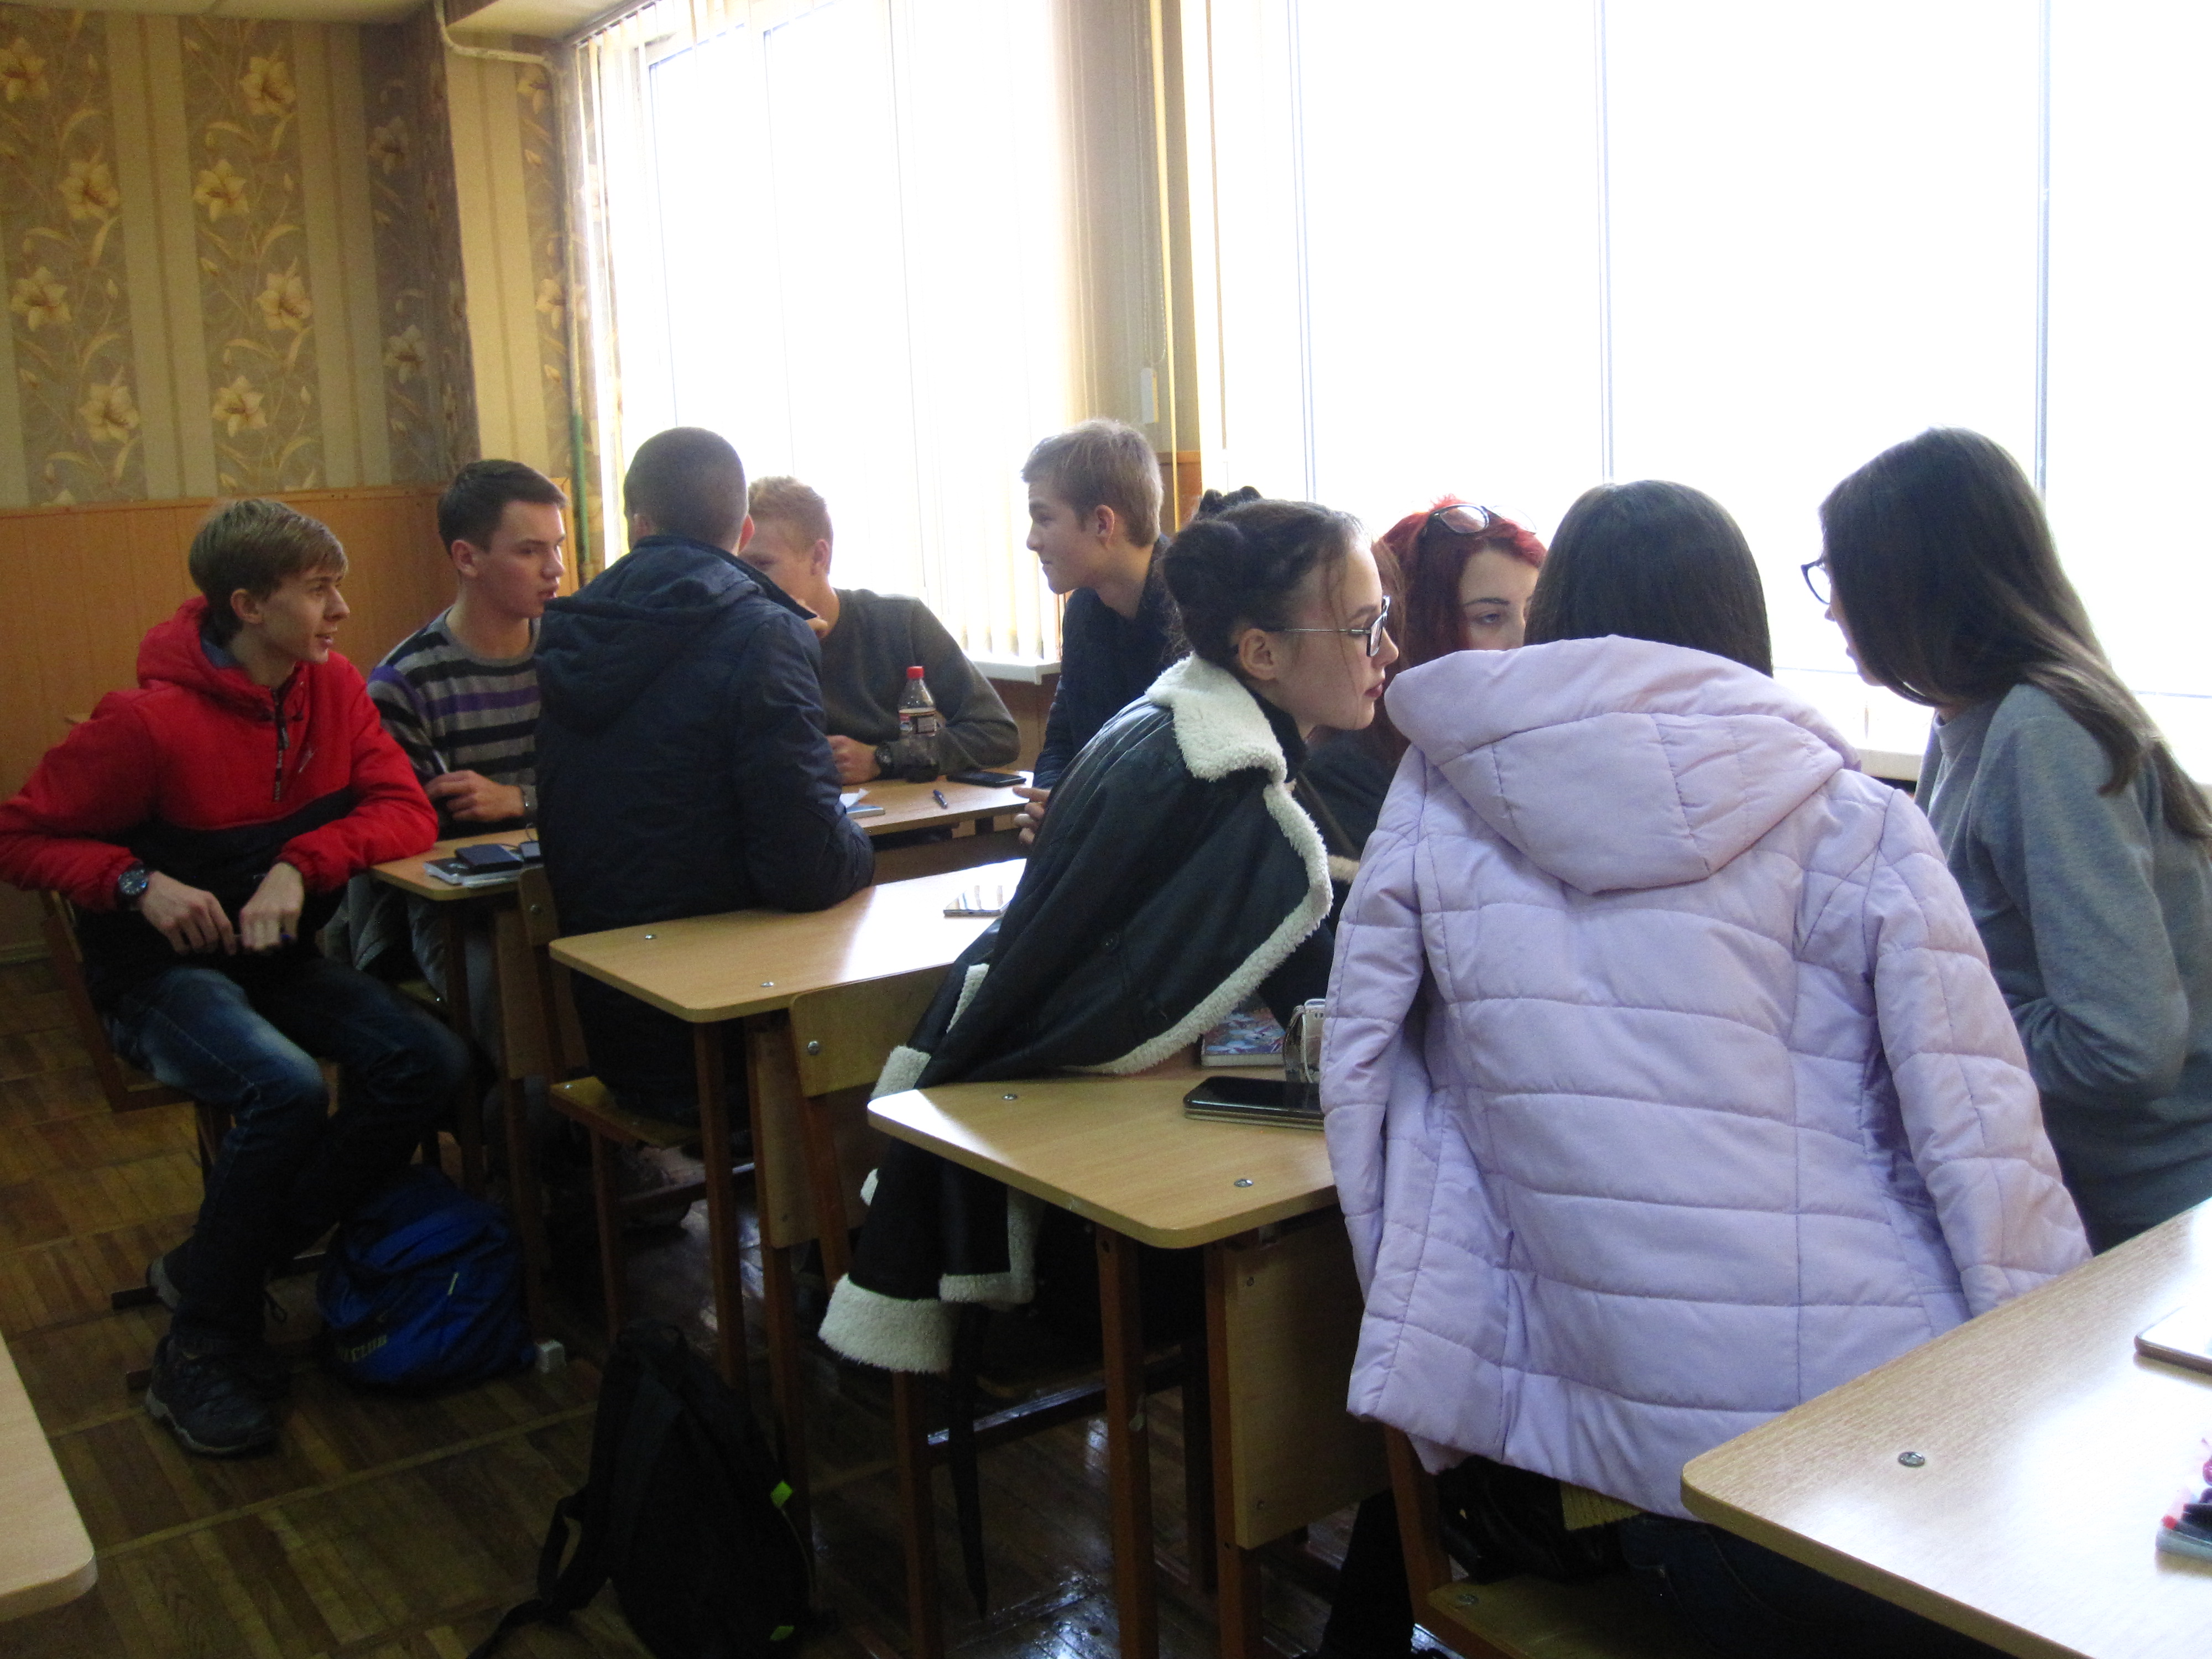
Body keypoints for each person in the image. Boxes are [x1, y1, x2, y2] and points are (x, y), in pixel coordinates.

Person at [1324, 479, 2086, 1658]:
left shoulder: (1435, 812)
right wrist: (2056, 1407)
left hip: (1612, 1473)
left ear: (1559, 616)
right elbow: (1985, 1145)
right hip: (1874, 1456)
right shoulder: (1853, 819)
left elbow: (1364, 1103)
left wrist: (1445, 1408)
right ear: (1739, 621)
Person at [820, 488, 1394, 1373]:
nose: (1386, 651)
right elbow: (1311, 1006)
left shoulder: (1176, 724)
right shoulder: (1228, 790)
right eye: (1362, 628)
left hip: (1048, 1150)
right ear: (1261, 653)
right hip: (1078, 1224)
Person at [0, 499, 467, 1458]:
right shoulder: (144, 725)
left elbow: (405, 812)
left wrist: (301, 863)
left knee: (429, 1062)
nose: (341, 609)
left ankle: (218, 1263)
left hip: (275, 961)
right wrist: (135, 882)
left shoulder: (333, 689)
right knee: (282, 1086)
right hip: (158, 978)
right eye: (318, 590)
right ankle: (201, 1344)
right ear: (248, 606)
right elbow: (18, 836)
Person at [1819, 428, 2212, 1251]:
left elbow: (2126, 1050)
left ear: (1912, 586)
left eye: (1842, 578)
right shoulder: (1962, 720)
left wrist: (1940, 1032)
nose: (1831, 609)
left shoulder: (2042, 735)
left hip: (2151, 1221)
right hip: (2067, 1195)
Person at [534, 428, 874, 1127]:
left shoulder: (571, 626)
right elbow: (807, 867)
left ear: (637, 524)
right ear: (743, 530)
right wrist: (864, 848)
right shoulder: (762, 632)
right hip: (735, 1043)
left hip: (617, 1026)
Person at [358, 460, 567, 1044]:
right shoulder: (405, 682)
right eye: (529, 551)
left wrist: (521, 801)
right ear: (468, 559)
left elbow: (614, 786)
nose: (555, 569)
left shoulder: (574, 653)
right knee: (531, 1028)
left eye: (557, 547)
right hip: (463, 917)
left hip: (572, 888)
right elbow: (415, 837)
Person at [736, 476, 1018, 784]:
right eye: (736, 567)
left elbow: (996, 733)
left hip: (903, 812)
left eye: (762, 565)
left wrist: (883, 759)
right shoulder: (739, 639)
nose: (747, 583)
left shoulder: (901, 622)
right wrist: (781, 652)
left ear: (819, 556)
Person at [1304, 498, 1545, 856]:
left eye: (1533, 609)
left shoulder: (1553, 737)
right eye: (1490, 617)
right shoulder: (1346, 779)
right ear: (1414, 629)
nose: (1525, 639)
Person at [1011, 418, 1178, 841]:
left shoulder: (1197, 616)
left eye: (1044, 519)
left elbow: (1187, 782)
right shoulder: (1084, 607)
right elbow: (1063, 739)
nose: (1032, 540)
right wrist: (1050, 803)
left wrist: (1078, 816)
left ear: (1104, 524)